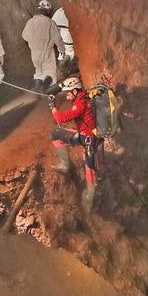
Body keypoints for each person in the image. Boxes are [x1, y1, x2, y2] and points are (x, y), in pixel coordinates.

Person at [50, 75, 101, 213]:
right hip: (86, 135)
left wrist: (53, 107)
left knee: (90, 172)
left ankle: (90, 200)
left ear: (75, 91)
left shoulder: (81, 104)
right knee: (56, 135)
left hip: (88, 140)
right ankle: (65, 165)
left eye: (68, 93)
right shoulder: (84, 97)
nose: (66, 96)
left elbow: (61, 118)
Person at [22, 0, 66, 92]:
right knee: (50, 71)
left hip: (34, 52)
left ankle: (37, 87)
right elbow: (57, 38)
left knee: (39, 71)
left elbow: (24, 36)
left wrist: (34, 41)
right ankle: (43, 88)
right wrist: (62, 49)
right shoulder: (50, 22)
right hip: (47, 52)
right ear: (48, 11)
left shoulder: (30, 21)